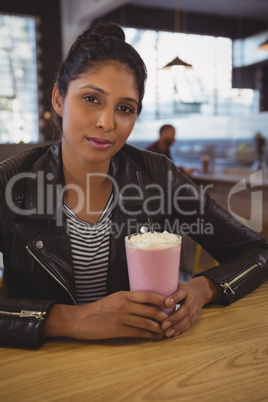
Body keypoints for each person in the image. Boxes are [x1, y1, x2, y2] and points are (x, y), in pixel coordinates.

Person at [0, 21, 267, 348]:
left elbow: (257, 251)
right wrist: (72, 319)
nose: (107, 123)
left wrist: (201, 289)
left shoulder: (156, 174)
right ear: (58, 98)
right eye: (91, 99)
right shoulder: (11, 181)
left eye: (124, 108)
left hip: (142, 366)